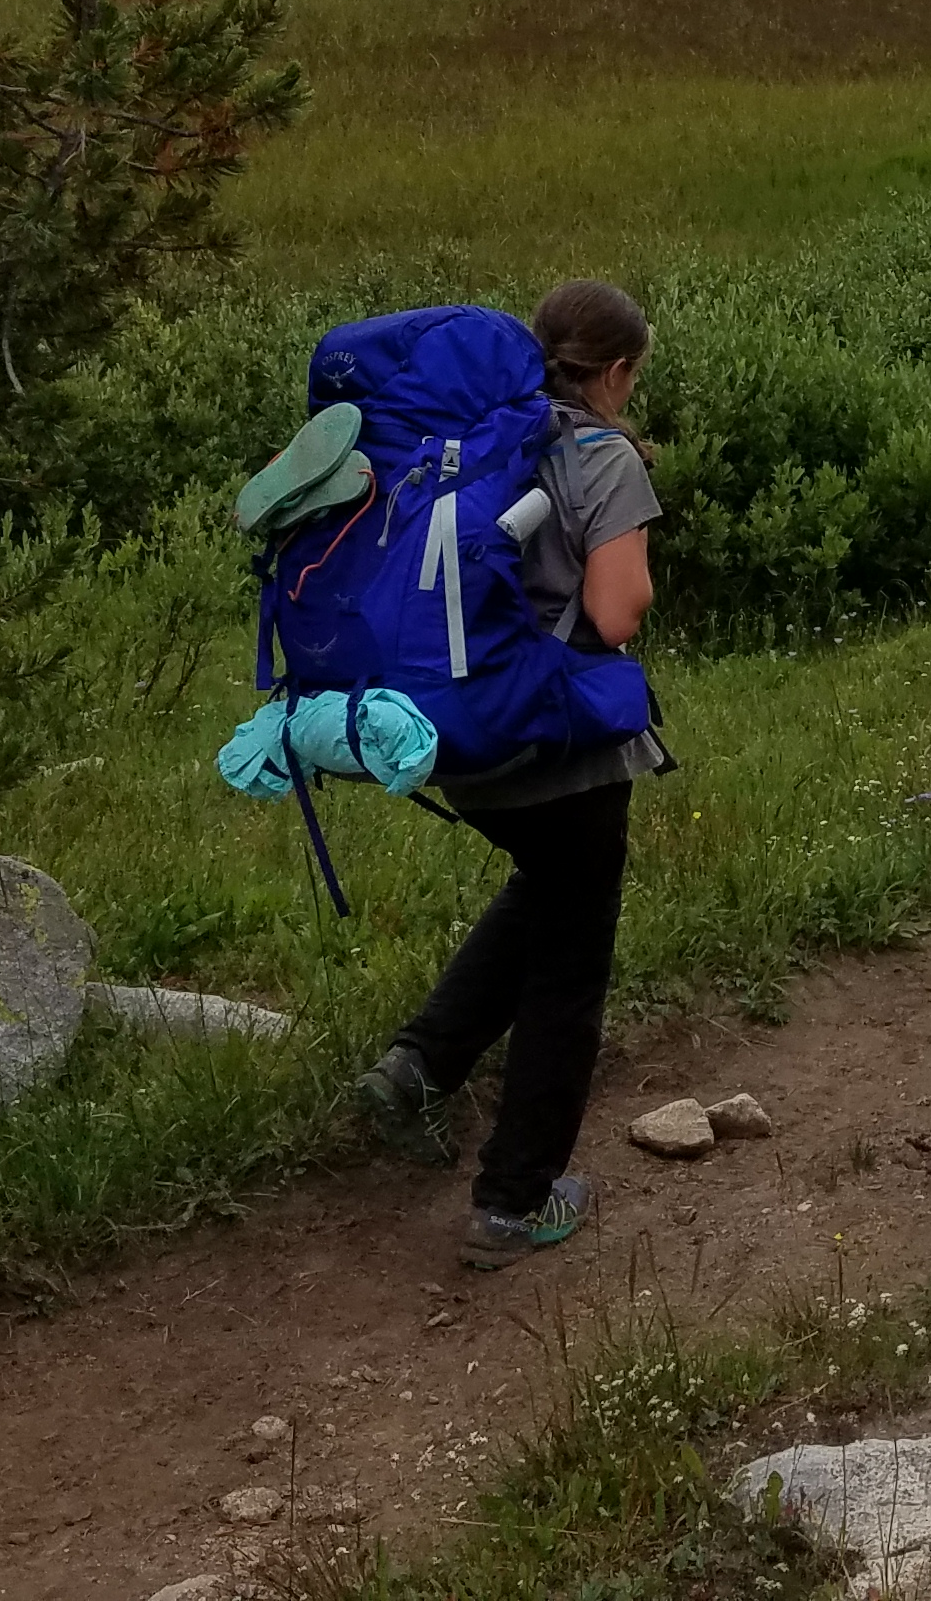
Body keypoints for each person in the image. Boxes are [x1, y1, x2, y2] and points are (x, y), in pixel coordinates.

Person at [352, 279, 674, 1270]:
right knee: (570, 970)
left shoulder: (466, 439)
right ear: (616, 371)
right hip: (561, 746)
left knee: (545, 891)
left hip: (458, 738)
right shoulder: (600, 455)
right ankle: (514, 1202)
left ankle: (417, 1066)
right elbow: (618, 614)